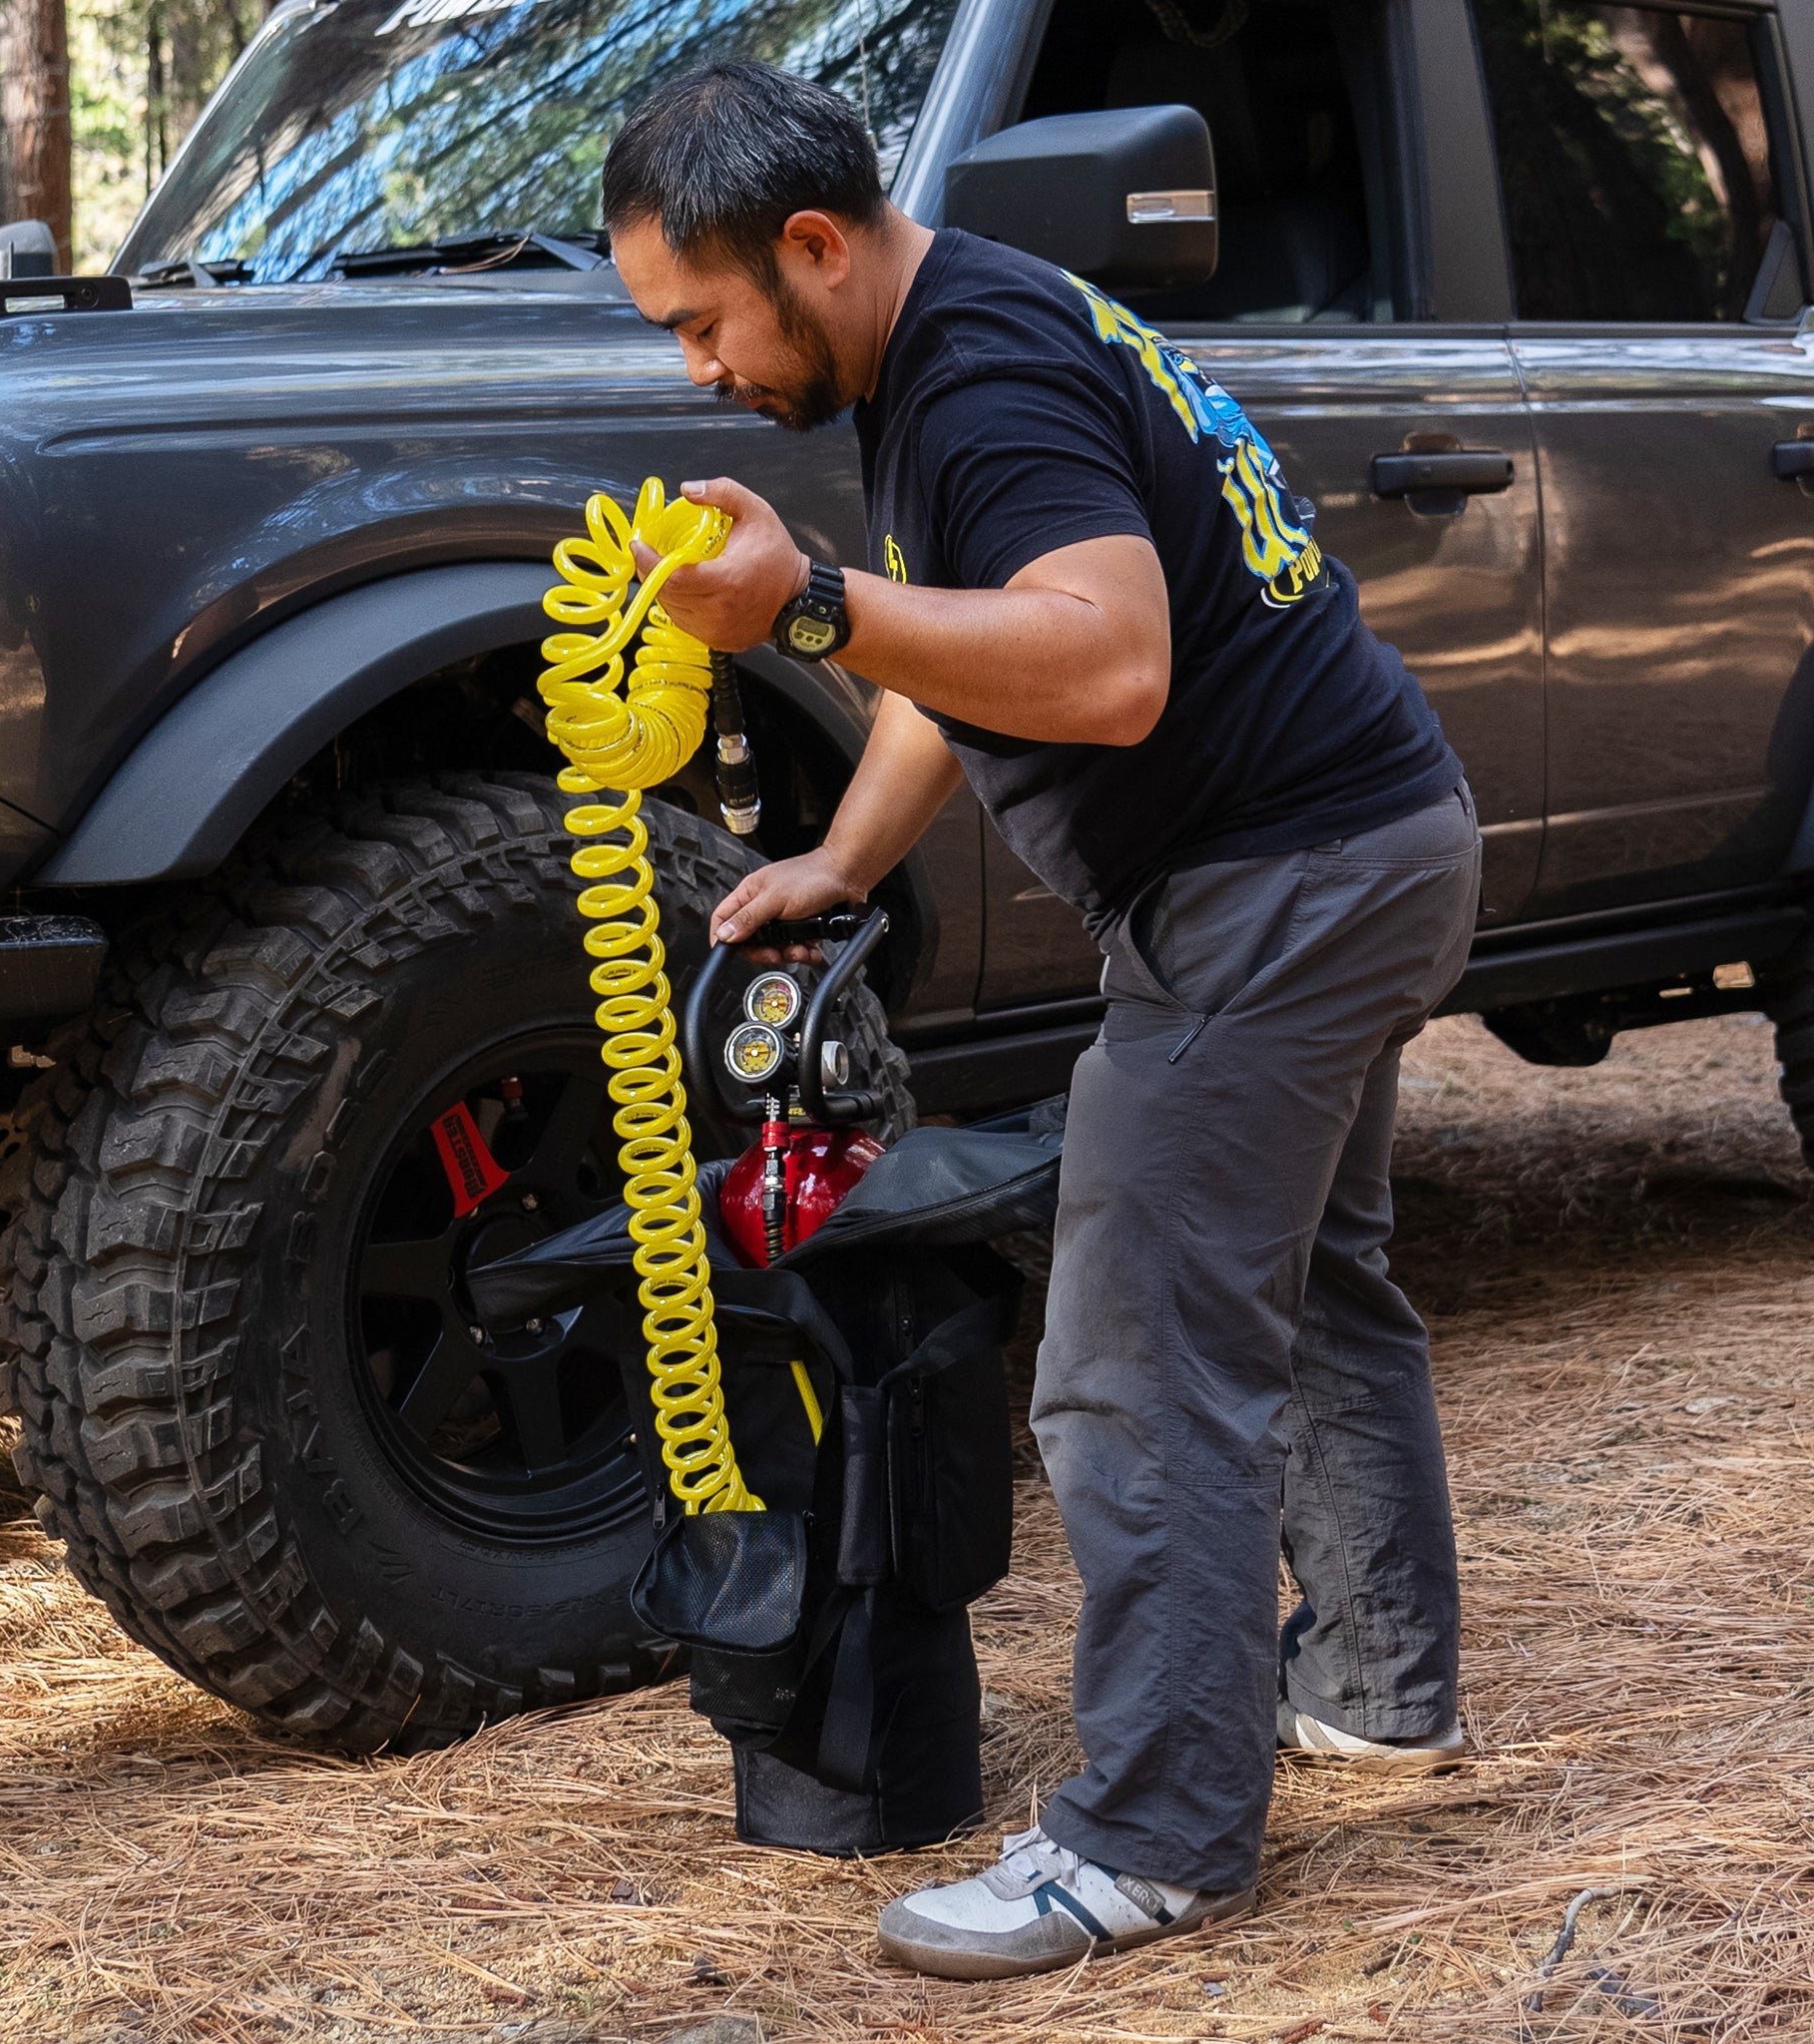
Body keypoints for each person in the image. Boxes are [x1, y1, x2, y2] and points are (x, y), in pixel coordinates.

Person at [601, 61, 1481, 1981]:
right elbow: (969, 635)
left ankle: (1154, 1835)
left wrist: (806, 609)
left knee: (1138, 1349)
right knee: (1317, 1286)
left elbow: (1103, 662)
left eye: (703, 320)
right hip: (1373, 836)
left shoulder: (979, 378)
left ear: (814, 248)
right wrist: (843, 851)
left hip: (1279, 887)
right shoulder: (969, 313)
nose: (694, 372)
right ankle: (1382, 1689)